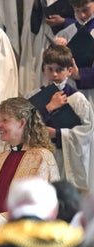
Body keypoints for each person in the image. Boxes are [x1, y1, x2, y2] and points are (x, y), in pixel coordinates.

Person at [0, 97, 60, 232]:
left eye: (5, 120)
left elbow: (43, 202)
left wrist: (4, 220)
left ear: (22, 123)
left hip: (24, 240)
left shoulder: (41, 158)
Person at [27, 45, 94, 192]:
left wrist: (57, 133)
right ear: (43, 69)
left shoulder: (77, 99)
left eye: (59, 70)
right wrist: (48, 108)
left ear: (69, 71)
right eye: (50, 69)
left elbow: (87, 133)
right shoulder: (33, 96)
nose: (55, 74)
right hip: (41, 158)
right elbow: (24, 126)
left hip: (65, 157)